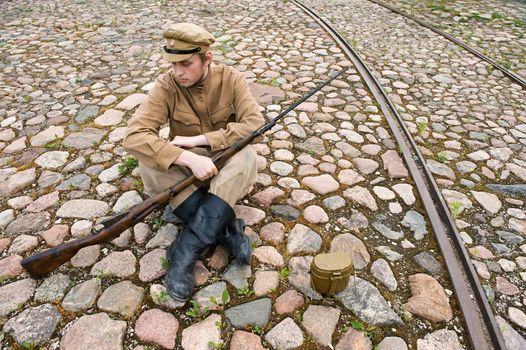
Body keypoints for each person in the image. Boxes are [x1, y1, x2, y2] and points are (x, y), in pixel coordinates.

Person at [123, 23, 265, 302]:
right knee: (148, 163)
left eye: (186, 63)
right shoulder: (166, 85)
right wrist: (186, 156)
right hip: (188, 171)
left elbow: (254, 125)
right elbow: (133, 136)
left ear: (207, 59)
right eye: (173, 63)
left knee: (247, 155)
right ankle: (225, 232)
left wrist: (200, 139)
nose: (178, 71)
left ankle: (184, 250)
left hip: (224, 167)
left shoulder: (231, 79)